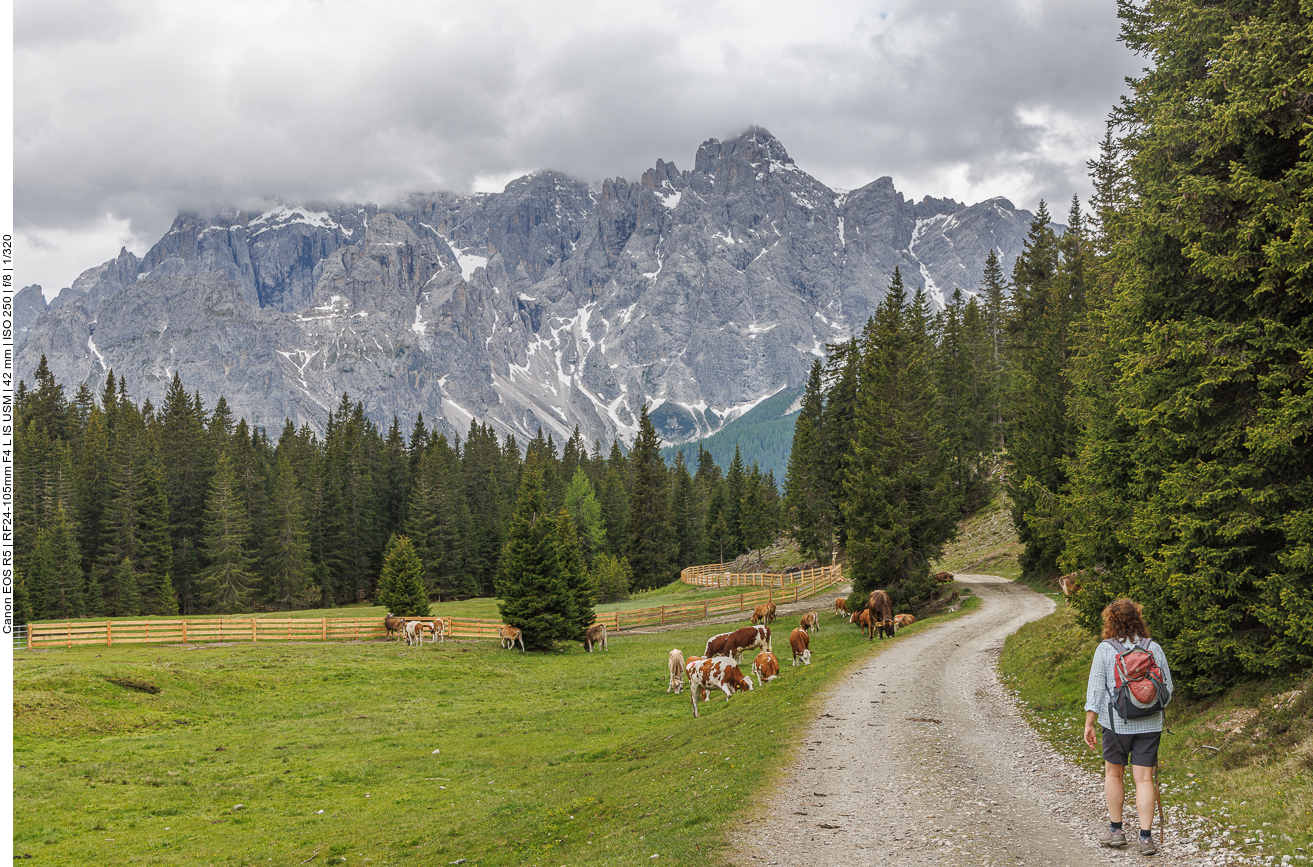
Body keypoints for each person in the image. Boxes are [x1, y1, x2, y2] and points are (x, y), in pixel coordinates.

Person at [1083, 598, 1173, 856]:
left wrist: (1089, 723)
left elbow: (1096, 691)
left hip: (1115, 724)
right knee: (1144, 779)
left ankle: (1116, 831)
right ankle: (1145, 838)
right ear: (1138, 619)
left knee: (1114, 774)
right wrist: (1147, 705)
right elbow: (1168, 689)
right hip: (1150, 724)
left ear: (1110, 621)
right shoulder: (1153, 647)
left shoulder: (1105, 649)